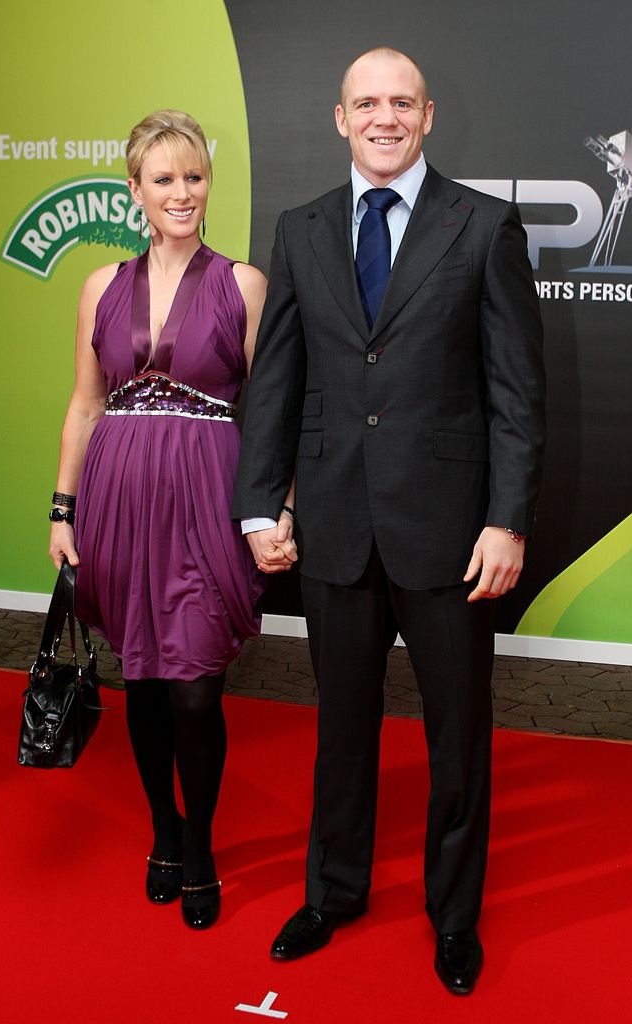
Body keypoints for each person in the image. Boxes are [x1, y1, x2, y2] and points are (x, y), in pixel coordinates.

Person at [233, 49, 545, 993]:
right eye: (364, 103)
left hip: (449, 529)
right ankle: (331, 891)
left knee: (457, 731)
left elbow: (516, 393)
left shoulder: (482, 225)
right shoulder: (301, 229)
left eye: (398, 103)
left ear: (427, 115)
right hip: (330, 523)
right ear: (338, 118)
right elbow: (276, 380)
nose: (382, 117)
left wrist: (507, 520)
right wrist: (259, 502)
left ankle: (453, 916)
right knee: (341, 724)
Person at [49, 109, 276, 930]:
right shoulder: (101, 287)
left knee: (195, 688)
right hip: (117, 499)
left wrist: (275, 505)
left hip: (205, 495)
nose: (182, 193)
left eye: (193, 176)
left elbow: (276, 406)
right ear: (134, 190)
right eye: (164, 179)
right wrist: (62, 509)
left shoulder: (242, 283)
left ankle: (204, 843)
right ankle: (165, 834)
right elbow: (83, 403)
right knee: (142, 678)